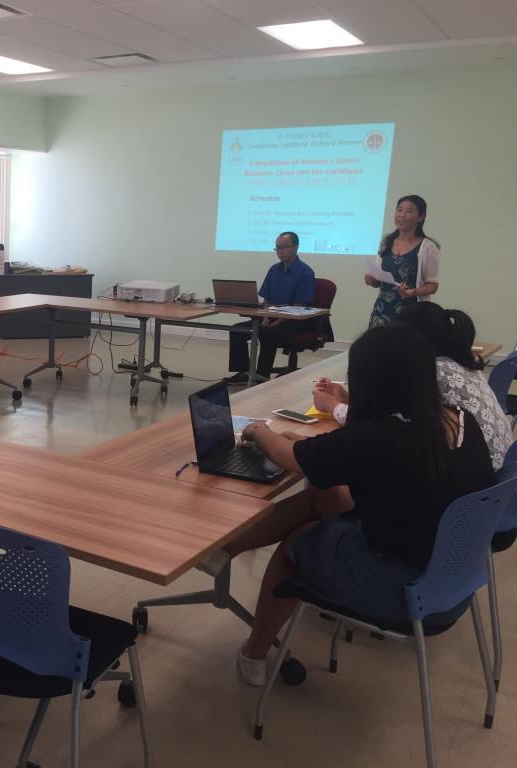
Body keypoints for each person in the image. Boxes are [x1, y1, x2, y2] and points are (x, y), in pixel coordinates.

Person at [200, 324, 494, 685]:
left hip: (405, 586)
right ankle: (224, 551)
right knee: (324, 496)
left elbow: (291, 457)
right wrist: (300, 443)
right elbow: (323, 453)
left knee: (297, 543)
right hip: (454, 576)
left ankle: (254, 655)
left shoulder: (380, 437)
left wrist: (257, 431)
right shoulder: (458, 419)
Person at [314, 302, 512, 470]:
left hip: (472, 477)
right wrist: (348, 399)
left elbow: (384, 429)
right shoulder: (461, 361)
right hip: (499, 480)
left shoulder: (430, 372)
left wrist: (332, 405)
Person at [225, 232, 315, 384]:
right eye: (277, 248)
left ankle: (262, 376)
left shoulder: (305, 272)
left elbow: (298, 307)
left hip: (294, 321)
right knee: (237, 330)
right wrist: (265, 316)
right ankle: (245, 373)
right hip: (271, 317)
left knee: (268, 333)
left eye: (284, 247)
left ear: (295, 248)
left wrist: (276, 322)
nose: (280, 251)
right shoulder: (274, 270)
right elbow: (266, 300)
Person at [366, 194, 440, 327]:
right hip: (382, 310)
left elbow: (433, 286)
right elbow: (377, 281)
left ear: (421, 217)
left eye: (409, 211)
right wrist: (372, 280)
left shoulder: (428, 247)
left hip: (412, 311)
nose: (402, 215)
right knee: (377, 340)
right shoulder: (386, 242)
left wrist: (414, 292)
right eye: (399, 210)